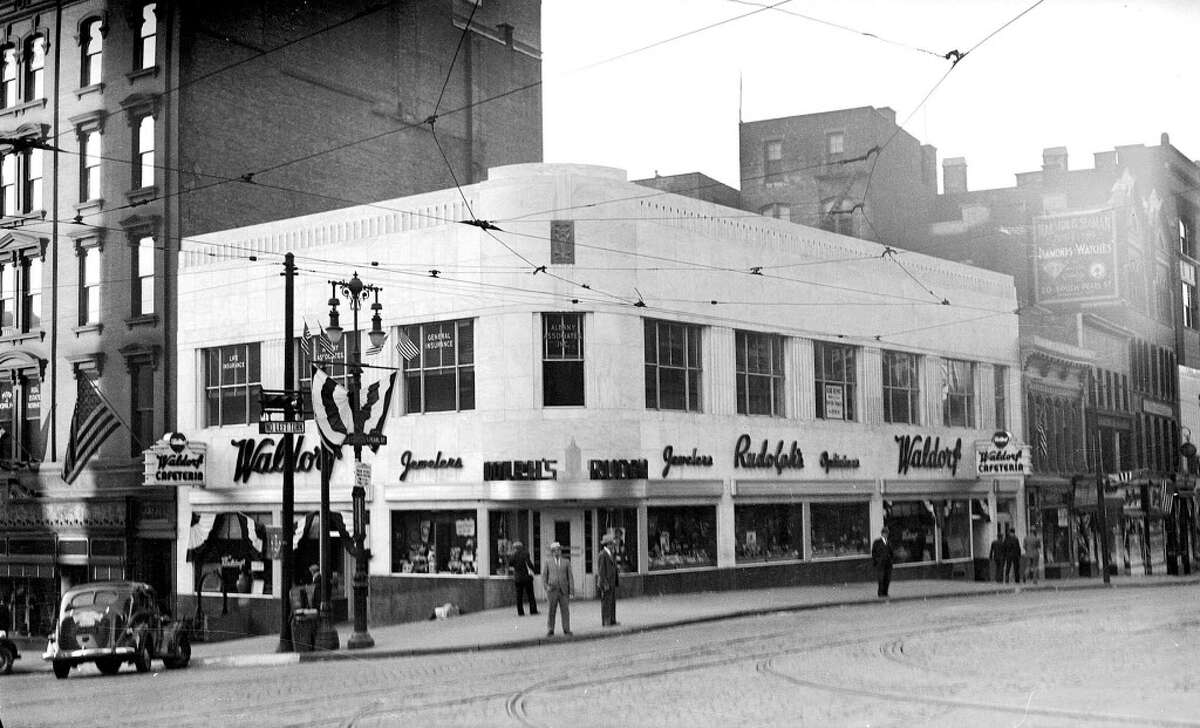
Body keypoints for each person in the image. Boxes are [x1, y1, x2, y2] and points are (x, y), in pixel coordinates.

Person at [541, 541, 573, 636]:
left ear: (560, 551)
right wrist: (546, 587)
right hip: (552, 590)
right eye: (554, 551)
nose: (556, 552)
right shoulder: (548, 562)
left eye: (558, 550)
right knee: (551, 610)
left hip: (563, 590)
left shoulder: (566, 562)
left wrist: (571, 590)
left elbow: (570, 576)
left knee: (565, 610)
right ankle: (550, 629)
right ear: (552, 552)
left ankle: (566, 629)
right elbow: (544, 576)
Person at [509, 541, 538, 616]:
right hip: (526, 577)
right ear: (521, 547)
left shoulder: (512, 555)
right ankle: (533, 610)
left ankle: (520, 612)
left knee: (519, 595)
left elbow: (510, 564)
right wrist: (534, 570)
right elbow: (529, 563)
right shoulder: (525, 553)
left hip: (518, 578)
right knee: (530, 594)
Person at [596, 533, 619, 626]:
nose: (613, 546)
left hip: (612, 582)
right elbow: (601, 571)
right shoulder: (603, 554)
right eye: (611, 544)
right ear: (607, 544)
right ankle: (606, 620)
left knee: (612, 602)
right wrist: (604, 583)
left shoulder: (610, 554)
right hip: (606, 582)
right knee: (606, 602)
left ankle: (612, 619)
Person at [871, 527, 894, 598]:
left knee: (887, 578)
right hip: (880, 564)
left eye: (887, 533)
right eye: (885, 533)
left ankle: (885, 592)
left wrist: (891, 560)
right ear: (882, 534)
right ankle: (880, 593)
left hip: (888, 564)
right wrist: (876, 561)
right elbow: (874, 552)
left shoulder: (889, 542)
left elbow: (891, 552)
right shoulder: (877, 542)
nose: (886, 535)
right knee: (881, 578)